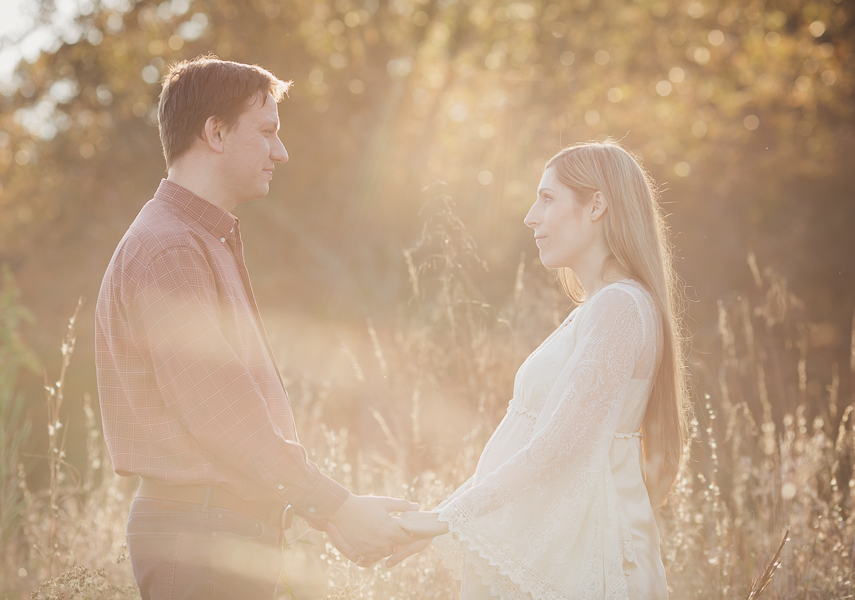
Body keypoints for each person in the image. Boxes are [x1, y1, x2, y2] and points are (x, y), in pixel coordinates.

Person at [95, 55, 414, 600]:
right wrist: (335, 505)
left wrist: (329, 515)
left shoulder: (196, 240)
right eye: (267, 132)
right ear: (215, 132)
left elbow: (234, 424)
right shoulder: (170, 249)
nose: (280, 152)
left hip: (220, 531)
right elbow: (223, 414)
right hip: (201, 540)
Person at [386, 141, 688, 600]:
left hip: (593, 556)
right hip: (565, 545)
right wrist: (441, 516)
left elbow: (557, 446)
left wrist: (444, 519)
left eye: (548, 199)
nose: (531, 216)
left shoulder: (619, 307)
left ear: (597, 205)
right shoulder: (600, 307)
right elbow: (537, 442)